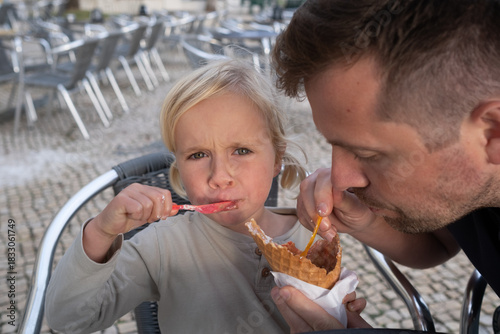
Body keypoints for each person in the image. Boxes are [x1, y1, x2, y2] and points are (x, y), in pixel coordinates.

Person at [270, 0, 500, 332]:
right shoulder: (468, 183)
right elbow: (441, 242)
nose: (341, 177)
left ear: (492, 132)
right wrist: (366, 223)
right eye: (334, 145)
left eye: (368, 153)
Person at [45, 58, 321, 333]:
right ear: (178, 168)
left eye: (241, 150)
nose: (219, 176)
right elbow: (69, 321)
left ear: (277, 159)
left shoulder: (317, 238)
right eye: (198, 155)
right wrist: (100, 234)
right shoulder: (161, 247)